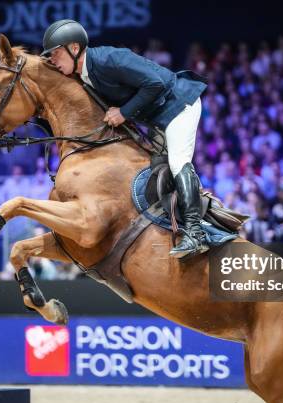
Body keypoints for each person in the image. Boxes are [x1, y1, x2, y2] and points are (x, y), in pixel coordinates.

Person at [41, 19, 208, 259]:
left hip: (180, 105)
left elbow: (156, 83)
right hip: (158, 117)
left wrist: (123, 112)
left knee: (177, 162)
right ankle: (170, 229)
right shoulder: (84, 76)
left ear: (74, 48)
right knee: (156, 172)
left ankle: (196, 234)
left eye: (56, 53)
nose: (53, 60)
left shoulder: (110, 59)